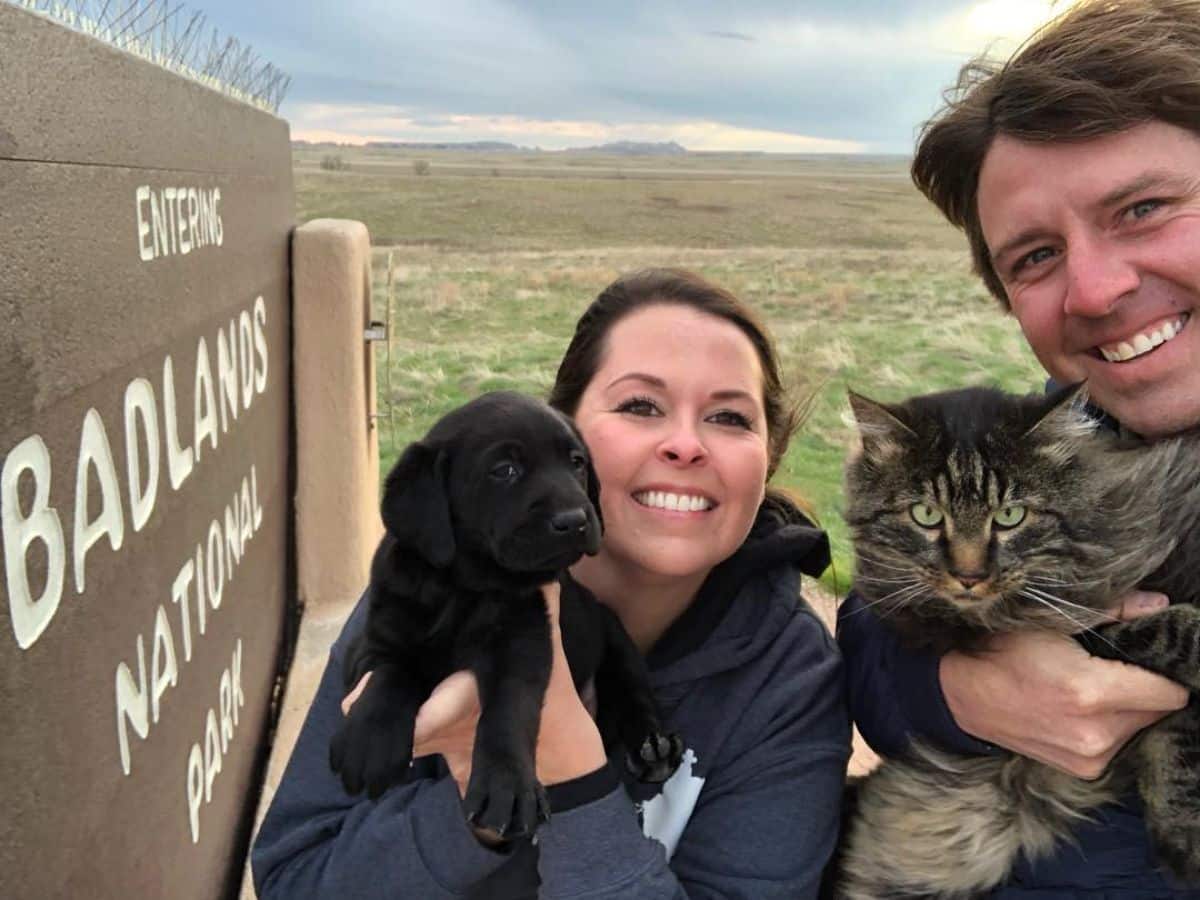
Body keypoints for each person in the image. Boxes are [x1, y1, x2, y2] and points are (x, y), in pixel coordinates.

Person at [252, 268, 850, 898]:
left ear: (769, 454)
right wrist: (475, 810)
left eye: (729, 417)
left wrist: (568, 770)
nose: (685, 445)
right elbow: (295, 877)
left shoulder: (788, 678)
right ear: (562, 428)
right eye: (640, 406)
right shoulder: (434, 584)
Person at [838, 0, 1200, 894]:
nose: (1096, 289)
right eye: (1033, 256)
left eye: (1144, 207)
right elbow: (865, 630)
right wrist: (954, 690)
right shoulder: (1071, 429)